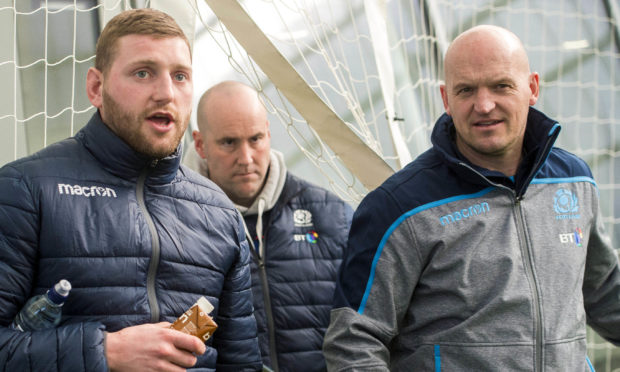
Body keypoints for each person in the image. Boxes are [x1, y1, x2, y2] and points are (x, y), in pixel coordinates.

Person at [323, 24, 620, 371]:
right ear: (446, 99)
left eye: (501, 86)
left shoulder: (574, 180)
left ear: (532, 88)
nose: (484, 105)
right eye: (466, 90)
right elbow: (353, 340)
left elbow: (602, 290)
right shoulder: (399, 207)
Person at [0, 9, 262, 372]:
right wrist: (104, 352)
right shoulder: (25, 190)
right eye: (143, 73)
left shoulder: (220, 214)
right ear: (96, 87)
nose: (166, 93)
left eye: (180, 76)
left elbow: (241, 364)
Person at [185, 81, 353, 372]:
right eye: (229, 142)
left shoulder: (330, 216)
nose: (246, 158)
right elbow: (181, 340)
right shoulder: (178, 226)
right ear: (200, 144)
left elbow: (366, 328)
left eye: (255, 139)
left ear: (268, 132)